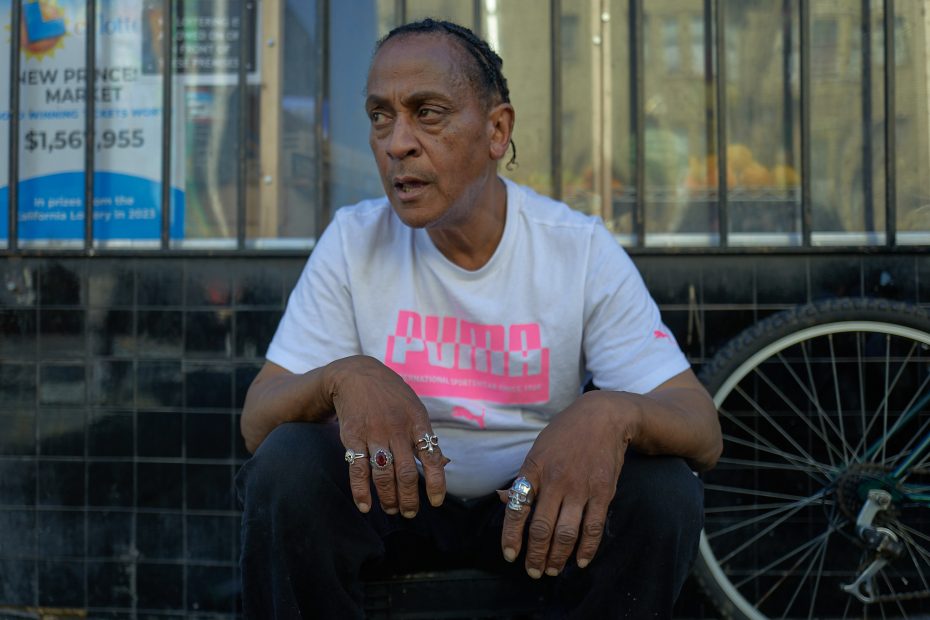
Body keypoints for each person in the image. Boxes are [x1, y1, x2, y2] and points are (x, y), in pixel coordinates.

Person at [236, 18, 722, 619]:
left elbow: (701, 428)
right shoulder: (353, 241)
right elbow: (258, 422)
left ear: (497, 131)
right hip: (397, 503)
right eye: (380, 115)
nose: (397, 143)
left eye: (428, 112)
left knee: (664, 491)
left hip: (532, 508)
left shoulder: (575, 249)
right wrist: (342, 377)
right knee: (287, 467)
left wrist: (613, 410)